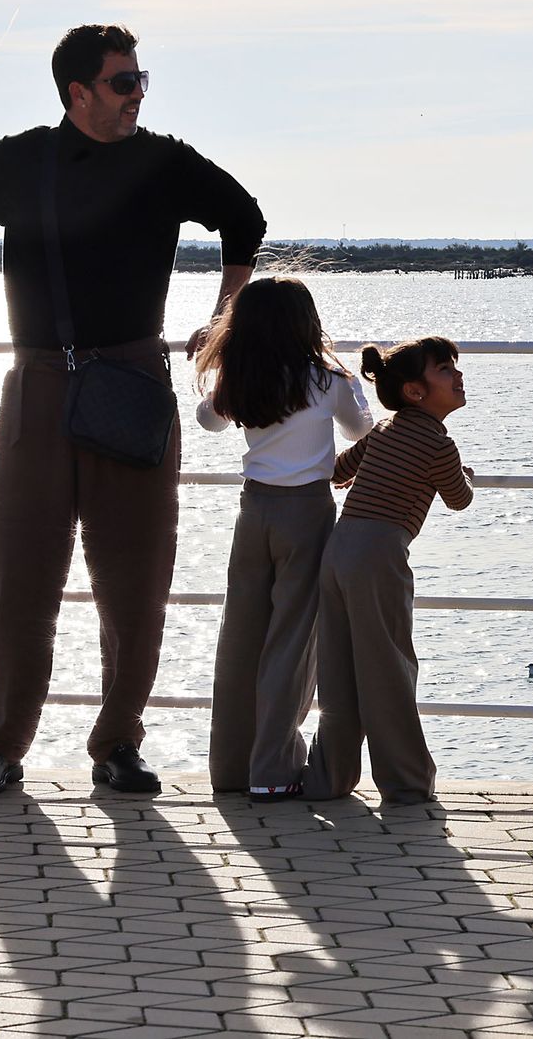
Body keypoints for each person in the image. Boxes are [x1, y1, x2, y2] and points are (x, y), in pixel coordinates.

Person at [0, 23, 266, 799]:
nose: (138, 93)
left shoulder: (164, 162)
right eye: (122, 82)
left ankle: (118, 744)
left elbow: (246, 218)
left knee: (136, 583)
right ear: (77, 92)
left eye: (142, 79)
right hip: (38, 387)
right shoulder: (19, 160)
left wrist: (224, 321)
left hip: (133, 384)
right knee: (15, 576)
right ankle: (1, 746)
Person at [195, 276, 373, 802]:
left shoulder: (241, 377)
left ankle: (232, 766)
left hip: (254, 510)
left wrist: (220, 370)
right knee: (293, 641)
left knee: (242, 637)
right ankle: (272, 769)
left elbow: (208, 422)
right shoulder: (325, 379)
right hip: (307, 512)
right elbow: (360, 430)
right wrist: (354, 384)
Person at [301, 338, 474, 806]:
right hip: (380, 553)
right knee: (389, 666)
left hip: (339, 547)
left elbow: (339, 472)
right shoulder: (439, 445)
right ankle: (406, 784)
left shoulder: (382, 430)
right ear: (416, 392)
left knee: (338, 670)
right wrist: (460, 472)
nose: (457, 375)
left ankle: (328, 778)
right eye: (445, 369)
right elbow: (459, 499)